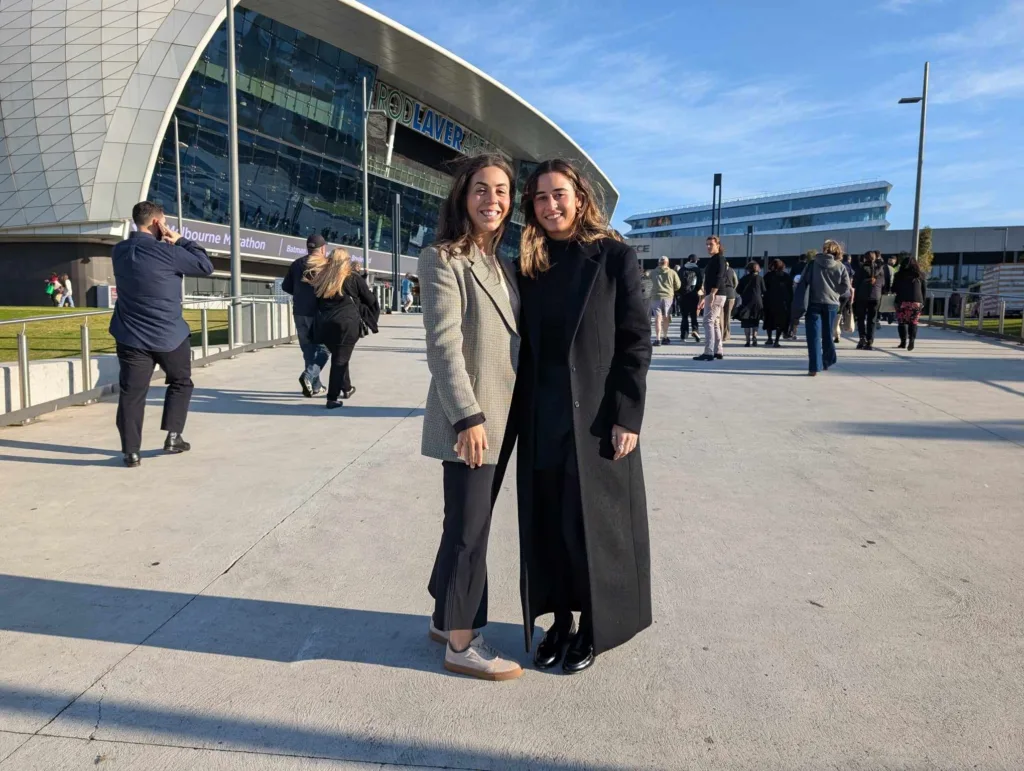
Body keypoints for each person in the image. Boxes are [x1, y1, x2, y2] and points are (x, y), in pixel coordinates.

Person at [504, 158, 652, 675]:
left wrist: (627, 415)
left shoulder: (614, 257)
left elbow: (636, 342)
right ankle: (560, 623)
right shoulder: (530, 263)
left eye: (559, 194)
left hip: (594, 418)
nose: (551, 205)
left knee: (591, 526)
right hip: (541, 416)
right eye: (541, 198)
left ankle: (594, 623)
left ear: (580, 197)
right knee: (548, 525)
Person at [420, 153, 523, 681]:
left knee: (462, 521)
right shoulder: (443, 258)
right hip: (473, 421)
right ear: (463, 195)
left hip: (501, 418)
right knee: (470, 530)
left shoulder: (500, 261)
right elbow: (443, 347)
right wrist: (467, 418)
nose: (492, 199)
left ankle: (444, 617)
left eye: (502, 190)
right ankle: (463, 642)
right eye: (481, 189)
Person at [109, 201, 214, 468]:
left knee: (132, 393)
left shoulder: (118, 251)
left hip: (131, 336)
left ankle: (131, 452)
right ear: (158, 223)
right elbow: (205, 266)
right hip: (169, 334)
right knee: (181, 382)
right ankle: (173, 435)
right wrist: (180, 240)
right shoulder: (167, 252)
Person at [305, 248, 377, 409]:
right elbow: (370, 299)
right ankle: (332, 398)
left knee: (340, 355)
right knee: (340, 360)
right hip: (346, 324)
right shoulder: (353, 278)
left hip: (324, 325)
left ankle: (347, 388)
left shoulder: (322, 278)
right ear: (346, 262)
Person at [282, 234, 329, 398]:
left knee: (308, 349)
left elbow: (286, 286)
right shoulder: (326, 265)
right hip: (318, 313)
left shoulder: (296, 264)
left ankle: (315, 386)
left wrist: (301, 293)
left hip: (299, 311)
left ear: (307, 248)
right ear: (323, 248)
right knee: (325, 348)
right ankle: (308, 376)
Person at [798, 239, 851, 376]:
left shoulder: (812, 264)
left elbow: (804, 280)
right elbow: (846, 287)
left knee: (813, 336)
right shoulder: (840, 266)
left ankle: (814, 366)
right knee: (828, 334)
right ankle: (827, 360)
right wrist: (835, 291)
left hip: (814, 302)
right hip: (832, 304)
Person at [694, 235, 729, 361]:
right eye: (707, 244)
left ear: (718, 245)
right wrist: (705, 297)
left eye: (711, 244)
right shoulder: (715, 259)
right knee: (714, 322)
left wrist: (712, 293)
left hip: (717, 294)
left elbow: (719, 277)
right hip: (715, 293)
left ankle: (708, 351)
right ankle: (718, 350)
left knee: (707, 321)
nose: (708, 247)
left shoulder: (719, 259)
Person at [892, 257, 927, 351]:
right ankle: (912, 340)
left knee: (902, 322)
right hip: (917, 301)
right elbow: (924, 290)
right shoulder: (921, 275)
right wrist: (923, 302)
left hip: (902, 301)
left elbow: (894, 289)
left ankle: (903, 342)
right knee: (913, 322)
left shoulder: (898, 275)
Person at [854, 250, 885, 350]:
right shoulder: (880, 269)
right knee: (872, 320)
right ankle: (870, 341)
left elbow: (856, 283)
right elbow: (883, 283)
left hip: (862, 296)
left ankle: (862, 338)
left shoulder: (861, 268)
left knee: (861, 319)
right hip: (875, 296)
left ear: (865, 258)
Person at [650, 255, 681, 346]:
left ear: (659, 263)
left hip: (656, 297)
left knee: (657, 318)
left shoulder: (653, 272)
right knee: (666, 317)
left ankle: (657, 339)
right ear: (667, 263)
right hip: (668, 297)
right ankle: (665, 336)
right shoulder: (672, 272)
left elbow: (648, 283)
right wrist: (671, 289)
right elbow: (678, 285)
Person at [762, 259, 792, 347]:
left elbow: (764, 289)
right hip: (782, 303)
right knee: (780, 322)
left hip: (769, 302)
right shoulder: (786, 276)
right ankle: (777, 340)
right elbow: (790, 291)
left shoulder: (768, 276)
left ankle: (769, 338)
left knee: (769, 320)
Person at [735, 261, 765, 347]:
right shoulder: (760, 278)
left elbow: (738, 290)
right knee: (755, 320)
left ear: (748, 269)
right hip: (757, 301)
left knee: (746, 322)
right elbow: (764, 290)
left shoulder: (743, 279)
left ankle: (747, 340)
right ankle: (754, 337)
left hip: (746, 302)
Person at [676, 254, 703, 343]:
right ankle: (695, 331)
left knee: (684, 316)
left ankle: (684, 335)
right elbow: (700, 283)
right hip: (693, 295)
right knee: (693, 316)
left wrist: (679, 293)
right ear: (695, 261)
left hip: (683, 296)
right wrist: (696, 290)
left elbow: (677, 283)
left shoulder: (681, 269)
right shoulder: (697, 270)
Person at [833, 255, 855, 344]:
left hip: (836, 294)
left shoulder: (834, 267)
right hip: (846, 294)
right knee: (842, 311)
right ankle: (842, 325)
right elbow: (850, 283)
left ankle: (836, 333)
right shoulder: (848, 268)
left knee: (836, 313)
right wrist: (852, 295)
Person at [721, 263, 738, 342]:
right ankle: (727, 334)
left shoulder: (719, 271)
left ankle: (721, 334)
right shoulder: (732, 270)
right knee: (728, 316)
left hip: (721, 294)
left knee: (721, 316)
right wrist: (732, 288)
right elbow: (736, 282)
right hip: (731, 295)